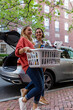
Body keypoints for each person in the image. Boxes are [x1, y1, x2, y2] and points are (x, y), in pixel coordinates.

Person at [15, 26, 44, 110]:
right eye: (29, 30)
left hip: (37, 65)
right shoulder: (22, 39)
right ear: (24, 31)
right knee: (39, 87)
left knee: (41, 86)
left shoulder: (31, 41)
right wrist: (24, 49)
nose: (31, 31)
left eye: (31, 30)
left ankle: (34, 107)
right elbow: (17, 52)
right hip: (29, 65)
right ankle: (23, 100)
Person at [20, 28, 49, 105]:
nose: (38, 33)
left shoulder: (46, 43)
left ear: (42, 33)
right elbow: (30, 53)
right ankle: (39, 97)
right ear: (35, 34)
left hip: (42, 63)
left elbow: (47, 53)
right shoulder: (33, 43)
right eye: (37, 32)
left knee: (40, 80)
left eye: (40, 32)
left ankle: (36, 102)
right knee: (40, 82)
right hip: (35, 63)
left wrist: (44, 65)